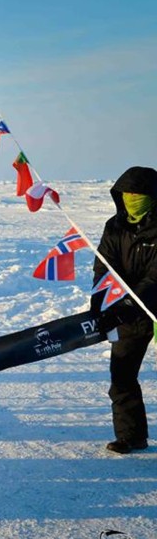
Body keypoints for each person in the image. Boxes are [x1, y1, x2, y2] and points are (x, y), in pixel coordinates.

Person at [91, 166, 157, 455]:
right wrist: (100, 305)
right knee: (122, 376)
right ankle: (131, 437)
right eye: (127, 193)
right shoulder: (115, 226)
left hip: (148, 306)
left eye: (137, 193)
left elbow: (156, 277)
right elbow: (104, 267)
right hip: (128, 315)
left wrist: (131, 302)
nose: (131, 197)